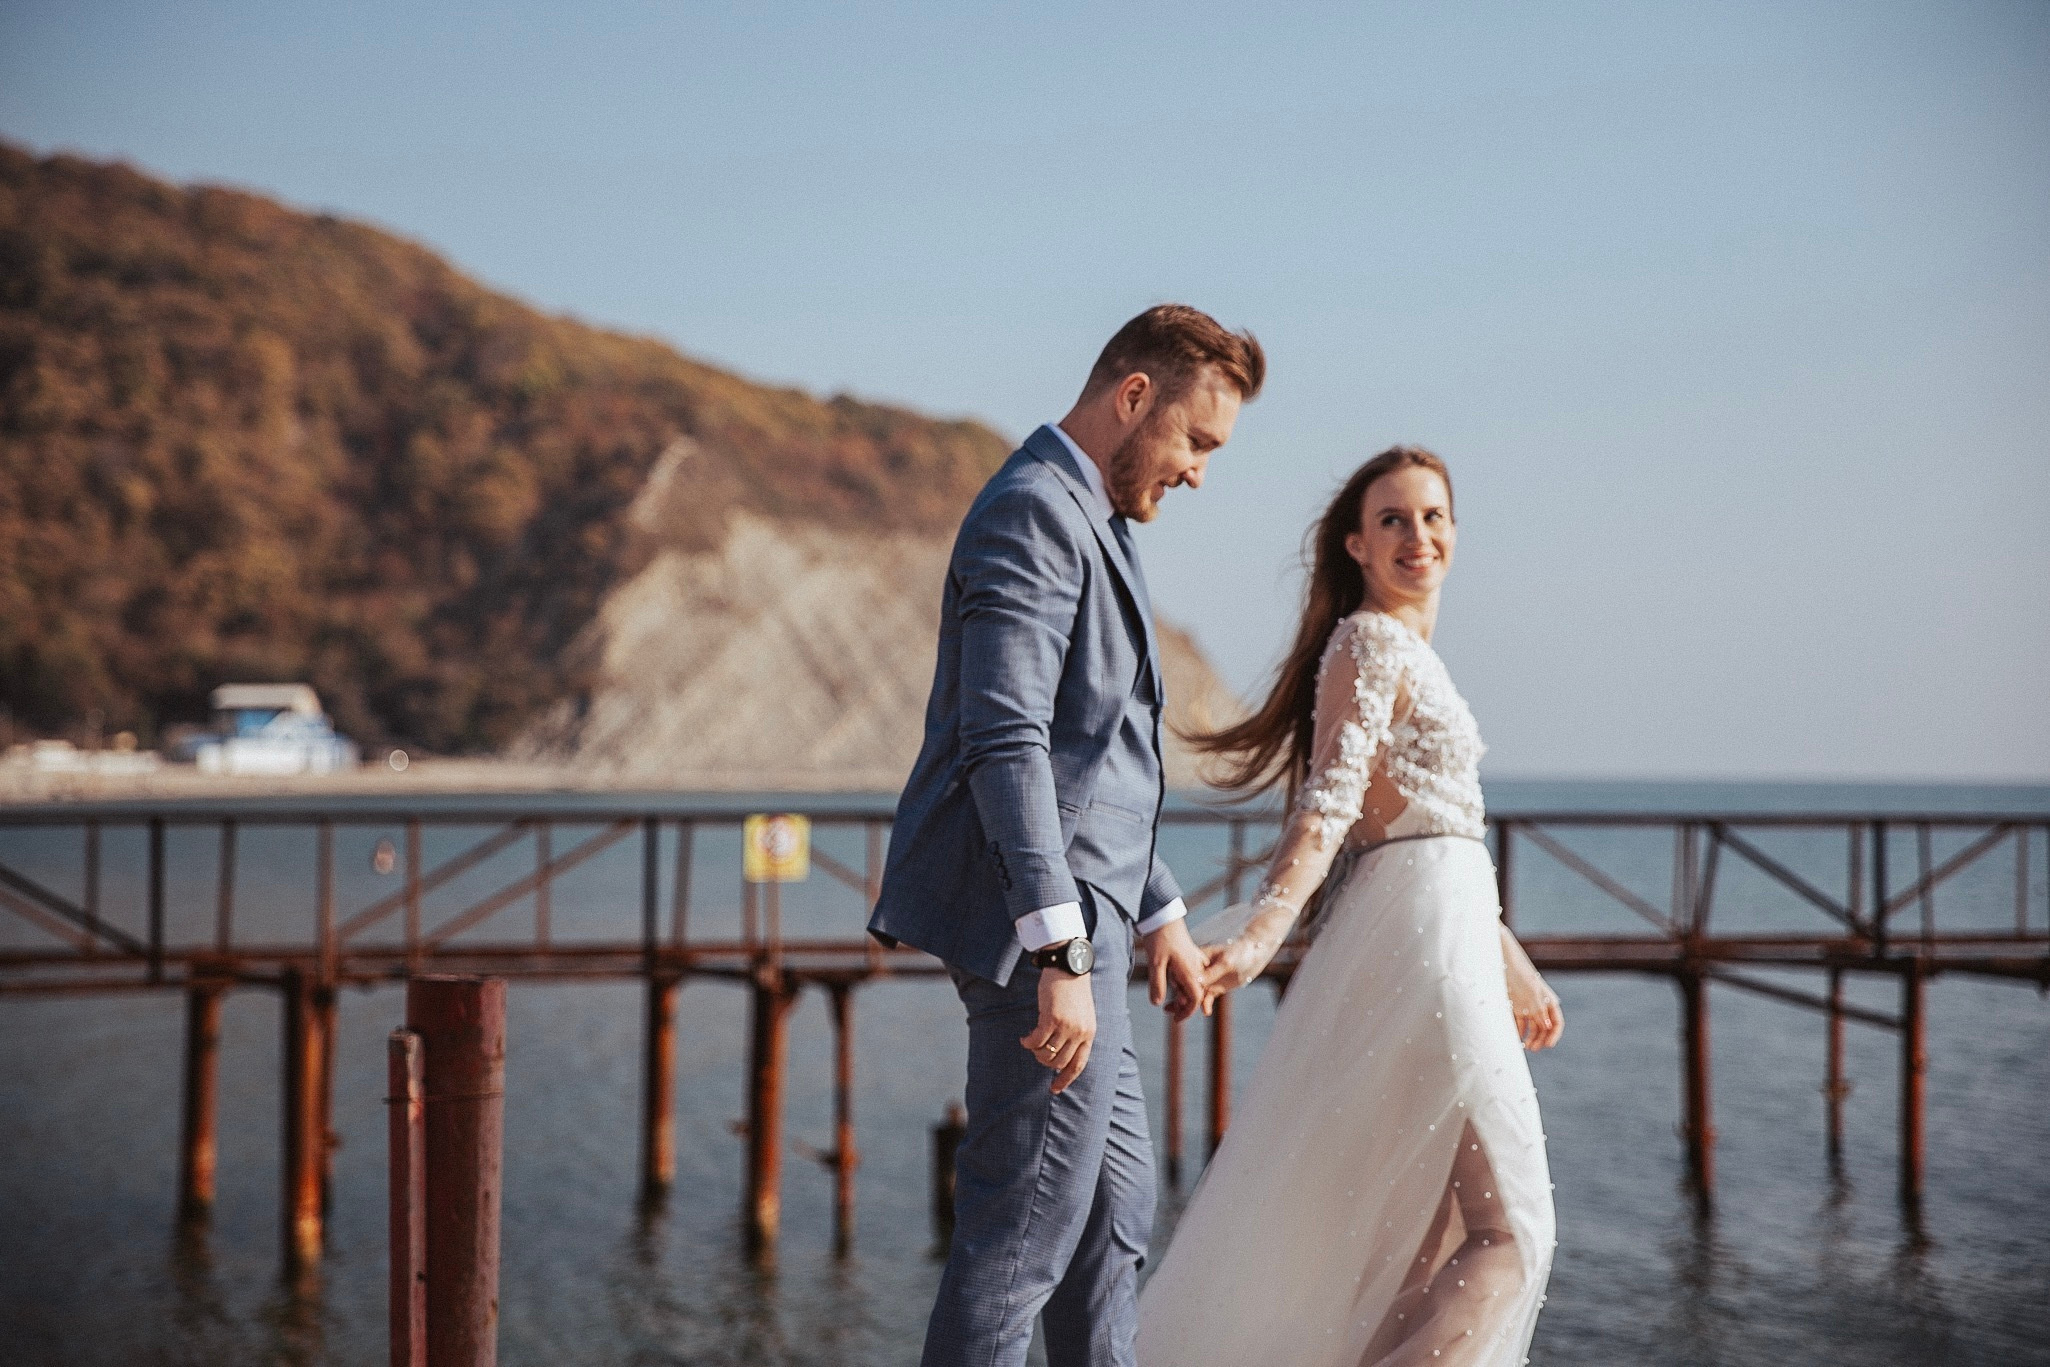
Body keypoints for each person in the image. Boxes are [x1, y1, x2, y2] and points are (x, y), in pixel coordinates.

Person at [870, 305, 1266, 1367]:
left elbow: (1095, 764)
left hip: (1090, 919)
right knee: (1021, 1239)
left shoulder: (1095, 516)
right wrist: (1057, 950)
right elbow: (1007, 741)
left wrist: (1160, 907)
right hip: (1041, 933)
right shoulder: (1034, 511)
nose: (1197, 473)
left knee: (1111, 1218)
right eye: (1196, 440)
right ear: (1134, 396)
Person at [1136, 446, 1564, 1367]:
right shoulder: (1369, 643)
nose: (1419, 535)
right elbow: (1330, 804)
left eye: (1434, 516)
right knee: (1511, 1231)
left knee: (1431, 1241)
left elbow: (1430, 826)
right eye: (1394, 519)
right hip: (1420, 947)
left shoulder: (1410, 653)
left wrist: (1511, 959)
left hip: (1448, 935)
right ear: (1356, 544)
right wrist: (1262, 932)